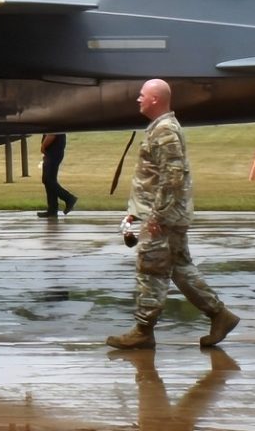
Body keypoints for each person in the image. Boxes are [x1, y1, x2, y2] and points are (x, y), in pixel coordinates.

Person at [108, 79, 240, 351]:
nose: (138, 99)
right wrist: (135, 213)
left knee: (151, 271)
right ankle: (220, 316)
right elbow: (152, 177)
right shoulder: (160, 128)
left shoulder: (165, 131)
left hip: (163, 218)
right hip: (165, 214)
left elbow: (171, 178)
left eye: (142, 95)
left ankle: (143, 330)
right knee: (180, 269)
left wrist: (155, 219)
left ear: (155, 99)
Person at [39, 130, 77, 217]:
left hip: (53, 152)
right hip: (54, 152)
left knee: (48, 179)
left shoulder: (53, 119)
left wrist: (43, 146)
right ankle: (52, 209)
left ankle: (69, 198)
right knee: (49, 180)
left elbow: (52, 133)